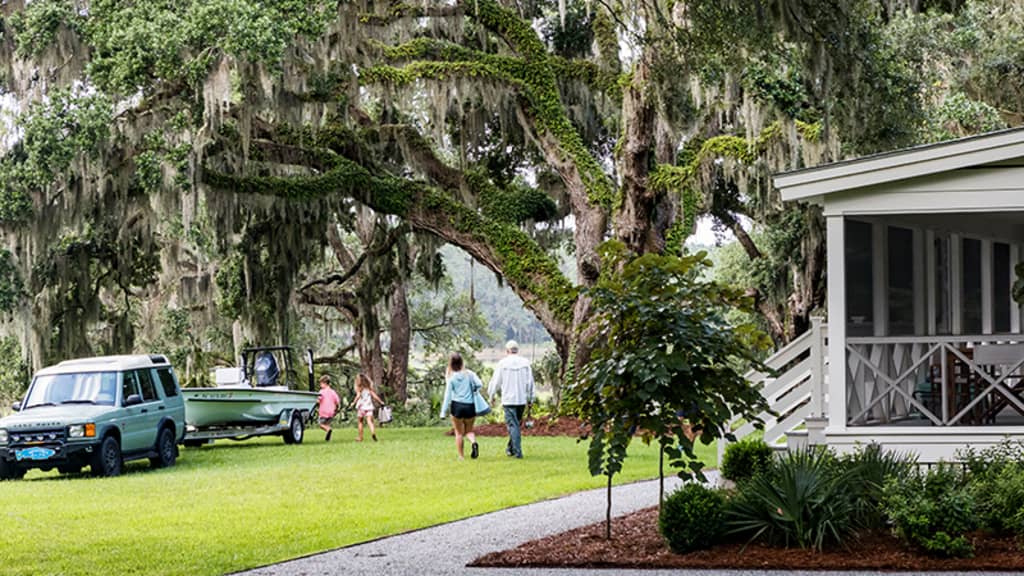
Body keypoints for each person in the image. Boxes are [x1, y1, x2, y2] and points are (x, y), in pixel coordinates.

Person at [488, 339, 534, 459]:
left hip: (508, 399)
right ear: (517, 350)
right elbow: (530, 383)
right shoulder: (525, 363)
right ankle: (510, 448)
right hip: (521, 399)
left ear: (507, 351)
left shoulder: (503, 363)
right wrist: (530, 398)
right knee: (516, 424)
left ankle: (518, 452)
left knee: (513, 425)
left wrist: (491, 395)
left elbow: (495, 381)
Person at [440, 352, 484, 460]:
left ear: (451, 364)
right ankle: (473, 442)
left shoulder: (451, 378)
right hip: (470, 406)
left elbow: (448, 395)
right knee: (469, 431)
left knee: (459, 433)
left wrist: (443, 411)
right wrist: (474, 388)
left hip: (457, 406)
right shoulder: (469, 374)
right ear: (462, 363)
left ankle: (461, 456)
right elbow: (479, 384)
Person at [351, 373, 383, 442]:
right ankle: (373, 432)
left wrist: (353, 403)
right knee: (370, 422)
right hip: (369, 407)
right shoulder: (369, 389)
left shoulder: (359, 388)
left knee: (360, 422)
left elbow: (358, 396)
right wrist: (381, 402)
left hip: (361, 407)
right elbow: (375, 396)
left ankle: (360, 437)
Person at [317, 374, 341, 441]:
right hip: (331, 412)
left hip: (323, 411)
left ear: (324, 383)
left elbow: (318, 400)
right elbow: (337, 401)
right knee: (327, 424)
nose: (320, 385)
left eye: (321, 384)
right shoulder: (332, 392)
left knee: (321, 424)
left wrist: (316, 402)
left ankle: (328, 430)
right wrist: (337, 408)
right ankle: (328, 437)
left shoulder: (321, 392)